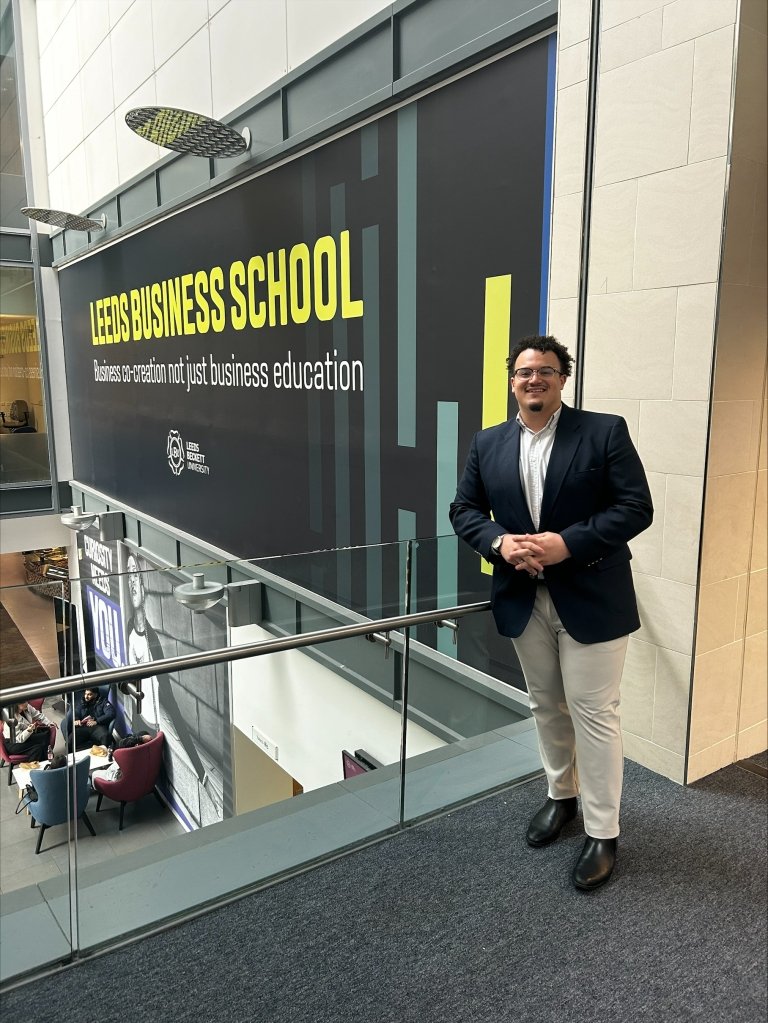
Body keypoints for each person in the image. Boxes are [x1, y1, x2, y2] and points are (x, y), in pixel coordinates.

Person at [450, 335, 653, 891]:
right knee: (545, 704)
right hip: (524, 597)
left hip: (591, 594)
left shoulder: (603, 432)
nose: (533, 379)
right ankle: (561, 797)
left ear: (563, 378)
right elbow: (464, 509)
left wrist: (569, 543)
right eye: (523, 372)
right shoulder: (488, 443)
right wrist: (498, 543)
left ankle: (603, 830)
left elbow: (636, 507)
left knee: (594, 712)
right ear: (511, 382)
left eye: (545, 370)